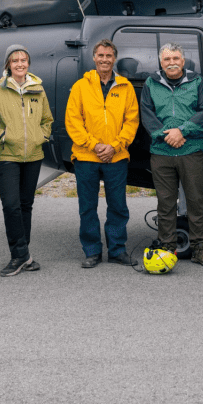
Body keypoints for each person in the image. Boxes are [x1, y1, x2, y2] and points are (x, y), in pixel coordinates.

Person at [140, 43, 203, 267]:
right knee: (165, 203)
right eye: (166, 59)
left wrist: (182, 131)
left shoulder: (197, 82)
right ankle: (167, 247)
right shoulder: (151, 83)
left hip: (191, 149)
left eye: (176, 58)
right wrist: (166, 135)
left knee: (195, 201)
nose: (171, 62)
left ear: (183, 61)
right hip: (161, 151)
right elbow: (147, 113)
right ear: (161, 63)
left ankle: (199, 249)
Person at [65, 39, 140, 268]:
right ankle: (92, 251)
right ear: (94, 58)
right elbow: (73, 121)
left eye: (109, 56)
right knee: (87, 207)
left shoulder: (125, 87)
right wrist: (94, 145)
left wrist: (115, 146)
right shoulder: (80, 86)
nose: (104, 59)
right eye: (101, 55)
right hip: (87, 157)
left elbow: (131, 121)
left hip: (116, 157)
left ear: (114, 58)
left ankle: (117, 250)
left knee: (117, 206)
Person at [0, 44, 53, 276]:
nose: (19, 64)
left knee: (26, 205)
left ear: (28, 63)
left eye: (23, 60)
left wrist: (40, 137)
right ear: (8, 64)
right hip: (7, 156)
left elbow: (47, 119)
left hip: (33, 156)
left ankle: (23, 255)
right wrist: (3, 136)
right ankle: (20, 256)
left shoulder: (38, 89)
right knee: (11, 206)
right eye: (14, 60)